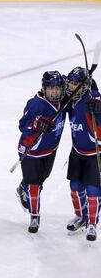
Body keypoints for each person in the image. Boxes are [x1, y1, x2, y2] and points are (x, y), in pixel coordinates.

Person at [15, 71, 66, 234]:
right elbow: (22, 125)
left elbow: (76, 82)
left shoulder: (64, 100)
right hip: (32, 152)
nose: (55, 92)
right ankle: (34, 216)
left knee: (41, 179)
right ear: (44, 88)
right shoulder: (36, 104)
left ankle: (23, 187)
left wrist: (89, 83)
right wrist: (37, 123)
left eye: (58, 89)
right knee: (35, 186)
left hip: (50, 150)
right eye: (51, 89)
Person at [64, 66, 101, 241]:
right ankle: (81, 216)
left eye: (74, 86)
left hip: (95, 154)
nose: (71, 89)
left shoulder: (93, 101)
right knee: (75, 188)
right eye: (70, 85)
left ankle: (92, 224)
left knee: (93, 191)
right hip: (77, 152)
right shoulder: (70, 100)